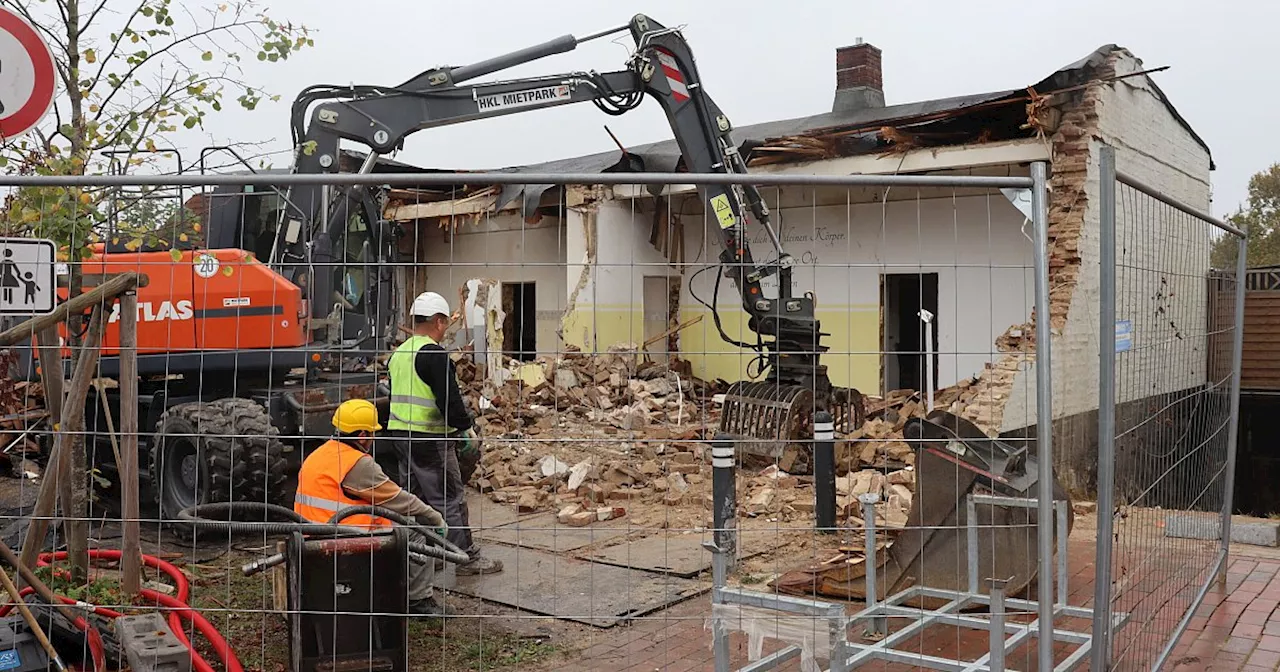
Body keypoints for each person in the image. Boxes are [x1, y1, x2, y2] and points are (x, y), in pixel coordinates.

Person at [379, 291, 502, 576]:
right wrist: (465, 428)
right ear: (437, 321)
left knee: (414, 498)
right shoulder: (434, 355)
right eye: (445, 323)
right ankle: (464, 557)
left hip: (401, 436)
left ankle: (423, 555)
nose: (445, 328)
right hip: (430, 438)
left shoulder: (399, 354)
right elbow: (448, 400)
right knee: (449, 497)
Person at [293, 399, 453, 616]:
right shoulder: (357, 464)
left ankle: (405, 576)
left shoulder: (323, 453)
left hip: (312, 534)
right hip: (343, 536)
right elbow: (398, 499)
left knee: (399, 523)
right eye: (372, 433)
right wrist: (434, 517)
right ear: (362, 436)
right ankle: (419, 601)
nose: (374, 438)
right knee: (416, 531)